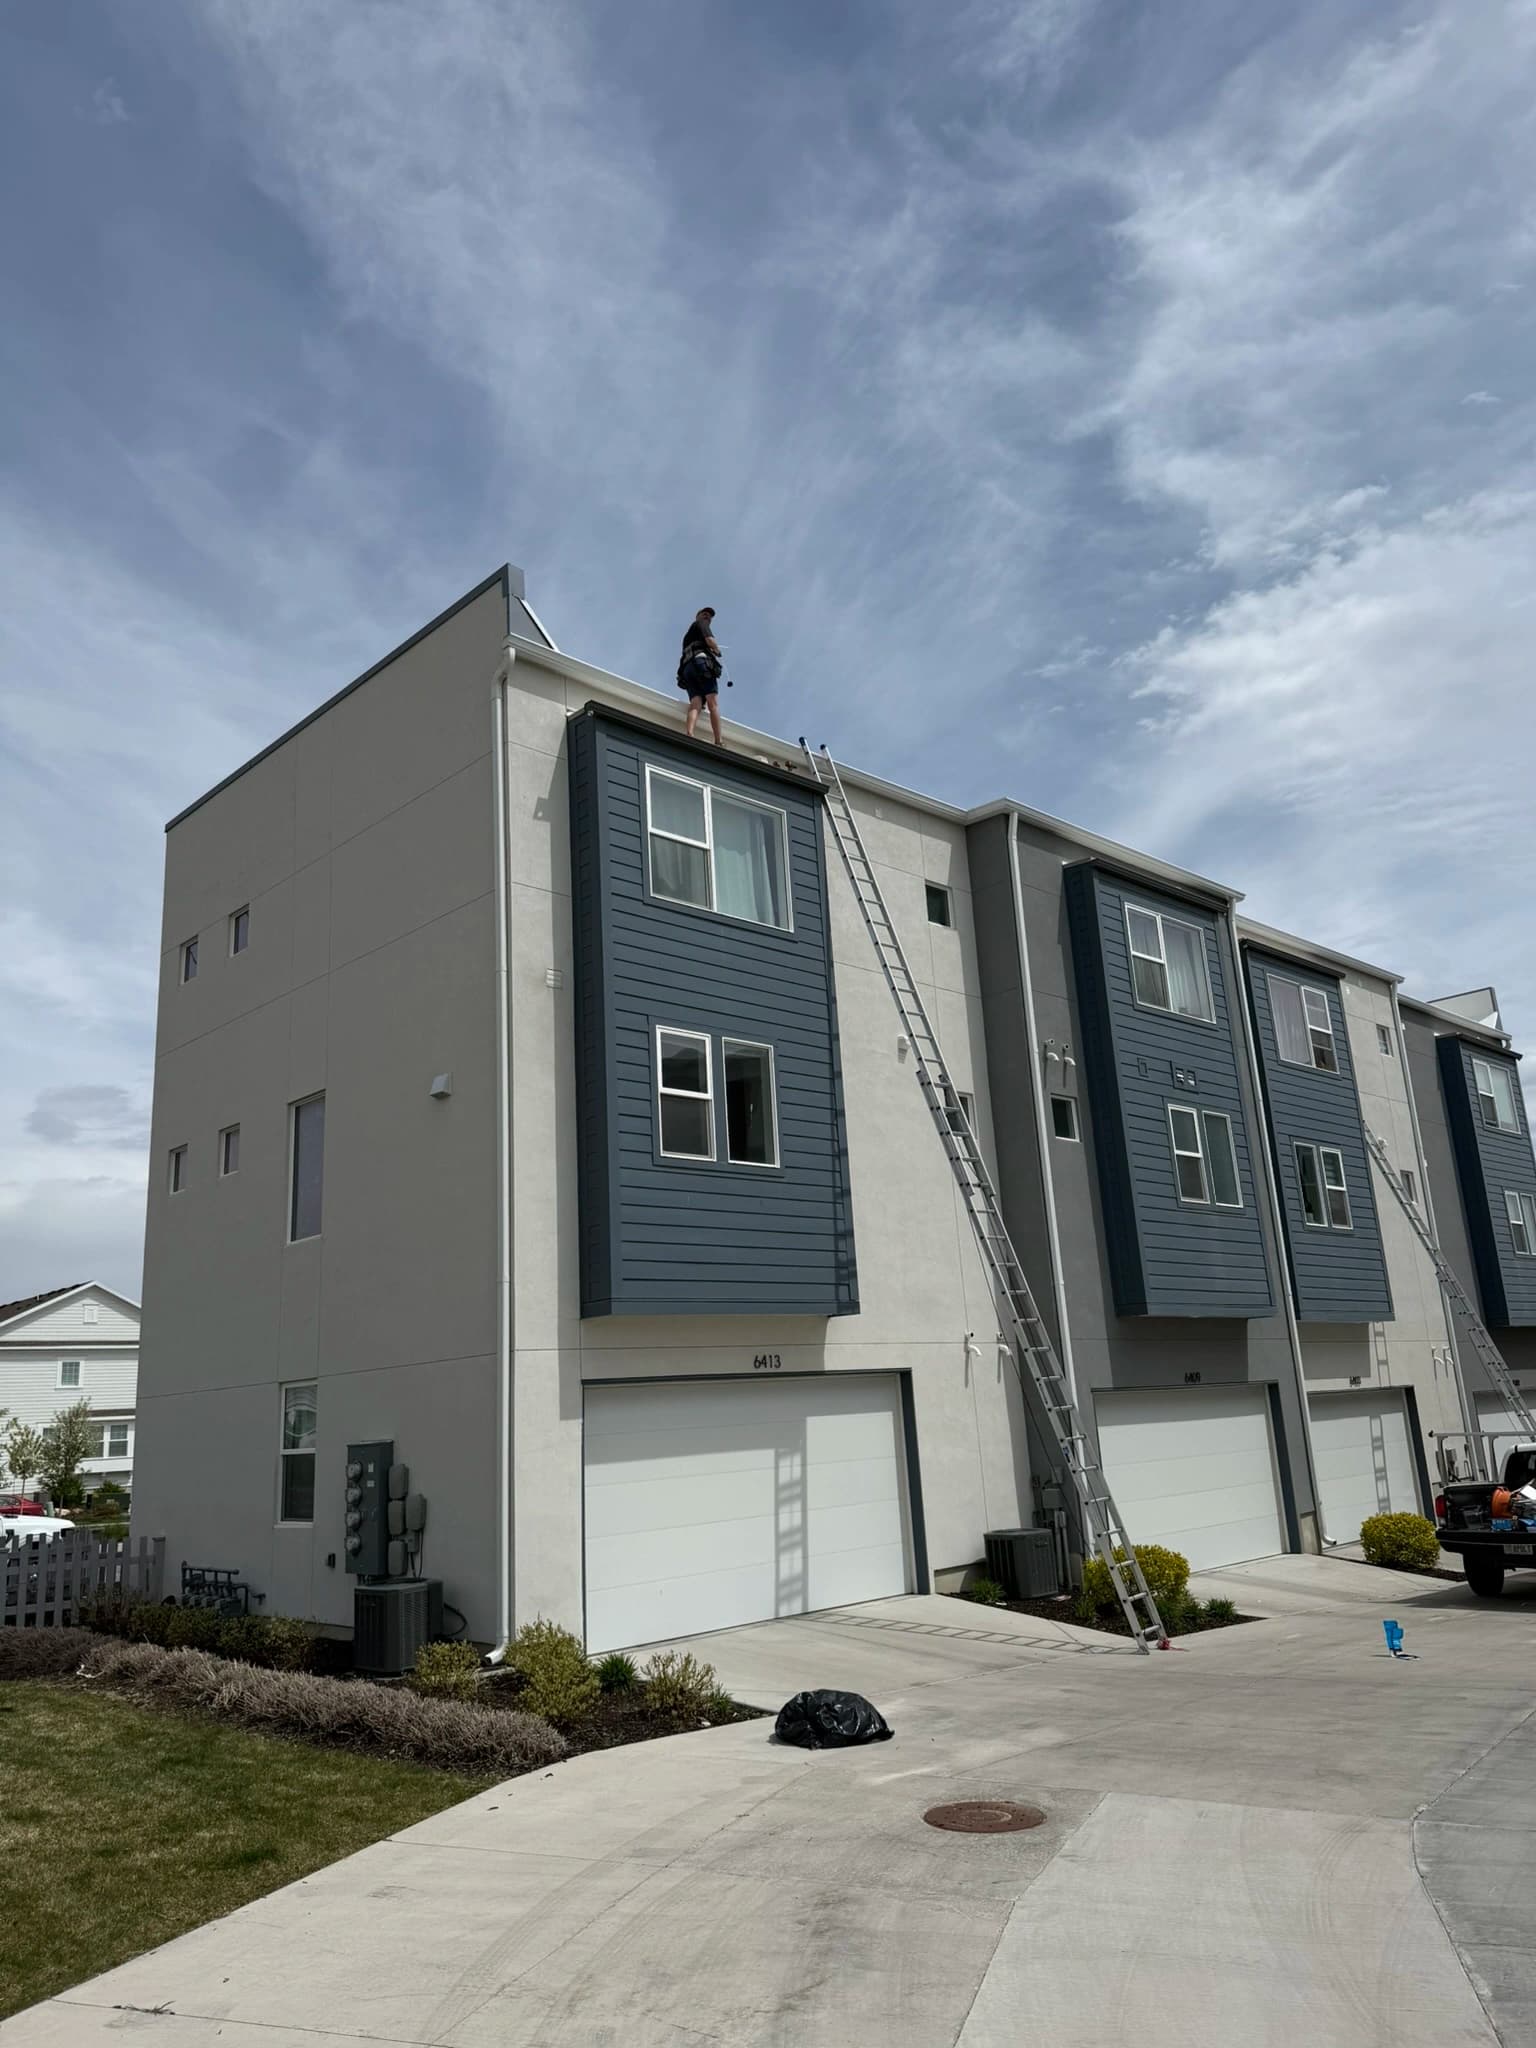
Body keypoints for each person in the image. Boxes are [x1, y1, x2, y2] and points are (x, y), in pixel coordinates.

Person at [677, 607, 724, 744]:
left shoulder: (687, 636)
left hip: (687, 670)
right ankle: (718, 741)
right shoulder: (701, 624)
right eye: (704, 614)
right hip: (701, 664)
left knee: (696, 702)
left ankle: (690, 733)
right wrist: (716, 649)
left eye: (709, 616)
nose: (707, 617)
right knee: (713, 703)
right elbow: (710, 640)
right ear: (697, 616)